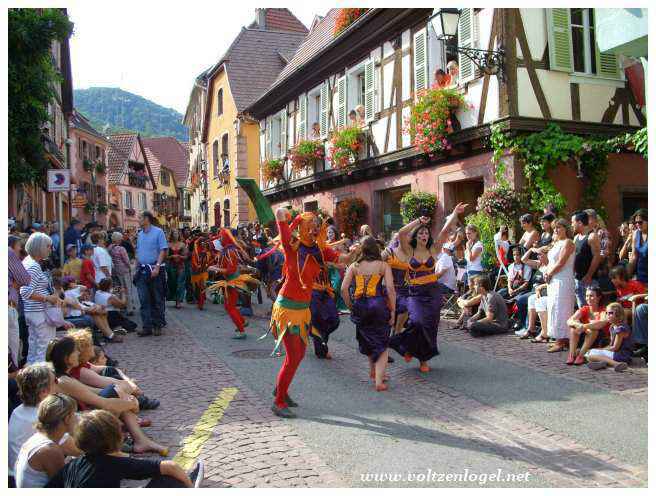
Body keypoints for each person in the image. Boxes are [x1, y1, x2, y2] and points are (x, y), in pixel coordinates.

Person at [268, 209, 359, 418]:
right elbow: (280, 218)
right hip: (287, 309)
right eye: (311, 225)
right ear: (302, 227)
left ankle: (281, 389)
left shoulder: (320, 249)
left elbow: (343, 259)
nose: (316, 228)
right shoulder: (292, 246)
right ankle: (279, 401)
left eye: (317, 224)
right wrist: (289, 216)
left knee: (298, 355)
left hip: (302, 309)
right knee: (294, 356)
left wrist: (354, 251)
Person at [47, 337, 167, 455]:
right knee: (114, 396)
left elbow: (96, 392)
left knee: (115, 393)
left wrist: (125, 397)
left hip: (81, 418)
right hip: (79, 426)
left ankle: (140, 440)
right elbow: (104, 403)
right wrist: (131, 403)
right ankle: (128, 441)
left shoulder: (66, 376)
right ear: (67, 358)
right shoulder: (64, 381)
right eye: (75, 351)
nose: (78, 352)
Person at [389, 203, 466, 372]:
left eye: (426, 232)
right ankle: (406, 347)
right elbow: (402, 233)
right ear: (416, 236)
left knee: (430, 326)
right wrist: (418, 221)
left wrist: (454, 213)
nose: (424, 234)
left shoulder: (433, 249)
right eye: (421, 233)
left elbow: (445, 231)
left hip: (433, 291)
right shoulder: (408, 251)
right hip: (415, 293)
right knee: (416, 322)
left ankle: (423, 359)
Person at [46, 409, 201, 488]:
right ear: (116, 437)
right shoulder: (112, 464)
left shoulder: (73, 465)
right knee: (169, 480)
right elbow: (171, 466)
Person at [8, 364, 81, 486]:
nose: (58, 385)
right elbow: (78, 449)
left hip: (14, 476)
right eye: (55, 381)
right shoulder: (42, 418)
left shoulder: (19, 410)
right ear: (43, 393)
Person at [341, 236, 396, 391]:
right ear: (376, 249)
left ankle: (373, 371)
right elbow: (391, 290)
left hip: (360, 305)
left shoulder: (354, 266)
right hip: (378, 304)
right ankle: (379, 381)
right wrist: (393, 310)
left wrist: (350, 306)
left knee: (368, 338)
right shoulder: (383, 265)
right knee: (382, 342)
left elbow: (343, 289)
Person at [15, 393, 78, 488]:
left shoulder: (37, 437)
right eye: (74, 414)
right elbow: (65, 486)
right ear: (67, 419)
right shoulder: (50, 450)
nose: (77, 417)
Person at [20, 232, 64, 365]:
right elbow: (25, 291)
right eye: (49, 246)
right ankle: (41, 380)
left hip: (33, 312)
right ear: (40, 247)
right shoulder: (33, 266)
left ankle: (32, 377)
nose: (51, 249)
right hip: (39, 312)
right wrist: (47, 298)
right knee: (43, 350)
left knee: (34, 349)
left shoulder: (28, 262)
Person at [207, 229, 259, 339]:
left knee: (230, 307)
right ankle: (242, 322)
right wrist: (216, 267)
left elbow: (229, 270)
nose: (219, 239)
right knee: (228, 306)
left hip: (232, 282)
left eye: (221, 237)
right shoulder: (228, 250)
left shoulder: (229, 251)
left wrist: (214, 268)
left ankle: (241, 330)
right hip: (230, 281)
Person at [545, 218, 576, 353]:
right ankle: (558, 338)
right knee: (553, 307)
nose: (556, 230)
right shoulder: (556, 243)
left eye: (559, 227)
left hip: (563, 279)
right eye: (554, 228)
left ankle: (562, 340)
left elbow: (561, 262)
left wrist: (549, 274)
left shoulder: (568, 242)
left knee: (561, 308)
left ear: (565, 228)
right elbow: (551, 262)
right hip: (553, 279)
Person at [135, 212, 168, 337]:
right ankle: (146, 326)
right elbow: (138, 251)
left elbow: (162, 250)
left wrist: (158, 267)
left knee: (157, 299)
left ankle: (157, 325)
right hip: (142, 270)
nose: (138, 220)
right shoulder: (140, 234)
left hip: (155, 269)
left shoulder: (158, 232)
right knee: (143, 299)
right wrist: (137, 267)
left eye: (140, 218)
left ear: (147, 219)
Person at [566, 286, 609, 365]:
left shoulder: (603, 310)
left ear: (599, 297)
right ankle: (571, 355)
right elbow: (569, 321)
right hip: (584, 337)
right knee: (573, 328)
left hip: (598, 338)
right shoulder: (585, 309)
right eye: (587, 296)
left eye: (591, 296)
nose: (588, 298)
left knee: (593, 330)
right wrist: (578, 325)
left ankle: (580, 356)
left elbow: (601, 323)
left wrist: (584, 326)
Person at [586, 303, 633, 372]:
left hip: (622, 355)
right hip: (614, 354)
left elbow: (615, 347)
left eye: (610, 313)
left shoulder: (621, 329)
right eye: (606, 313)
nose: (607, 315)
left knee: (590, 355)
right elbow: (611, 345)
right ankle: (604, 363)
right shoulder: (612, 327)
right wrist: (600, 350)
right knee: (589, 354)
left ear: (618, 315)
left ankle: (616, 364)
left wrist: (601, 350)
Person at [571, 210, 602, 308]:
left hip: (590, 281)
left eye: (573, 222)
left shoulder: (592, 237)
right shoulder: (576, 237)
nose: (572, 225)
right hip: (577, 279)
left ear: (580, 223)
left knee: (591, 308)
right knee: (582, 308)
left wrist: (588, 275)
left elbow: (597, 257)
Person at [9, 235, 30, 368]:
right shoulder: (8, 252)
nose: (20, 249)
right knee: (12, 347)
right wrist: (13, 285)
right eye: (19, 246)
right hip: (7, 305)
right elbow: (25, 279)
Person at [381, 235, 410, 334]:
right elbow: (376, 263)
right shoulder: (389, 251)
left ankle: (397, 331)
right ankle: (386, 332)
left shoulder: (410, 254)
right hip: (387, 287)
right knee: (388, 311)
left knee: (406, 306)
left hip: (402, 288)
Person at [108, 231, 134, 315]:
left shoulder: (109, 248)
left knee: (117, 289)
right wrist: (130, 268)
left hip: (114, 271)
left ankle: (118, 307)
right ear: (119, 239)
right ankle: (129, 308)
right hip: (123, 271)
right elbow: (126, 260)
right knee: (126, 289)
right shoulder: (121, 249)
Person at [166, 229, 188, 309]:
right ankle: (175, 299)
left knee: (180, 284)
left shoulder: (182, 244)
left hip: (181, 266)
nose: (176, 235)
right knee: (173, 283)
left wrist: (180, 256)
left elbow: (186, 256)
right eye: (174, 233)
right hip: (171, 266)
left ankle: (178, 301)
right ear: (171, 235)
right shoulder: (168, 244)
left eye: (177, 233)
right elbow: (166, 256)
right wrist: (172, 256)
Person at [190, 236, 211, 311]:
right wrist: (197, 265)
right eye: (201, 243)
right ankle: (199, 300)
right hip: (196, 272)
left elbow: (209, 261)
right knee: (197, 288)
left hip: (204, 272)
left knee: (203, 286)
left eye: (204, 243)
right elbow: (193, 261)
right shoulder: (195, 252)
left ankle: (201, 303)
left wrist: (208, 265)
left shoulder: (207, 252)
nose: (203, 244)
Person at [628, 208, 647, 285]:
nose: (637, 224)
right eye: (636, 222)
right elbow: (634, 257)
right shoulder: (636, 234)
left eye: (640, 222)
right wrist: (626, 277)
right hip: (639, 277)